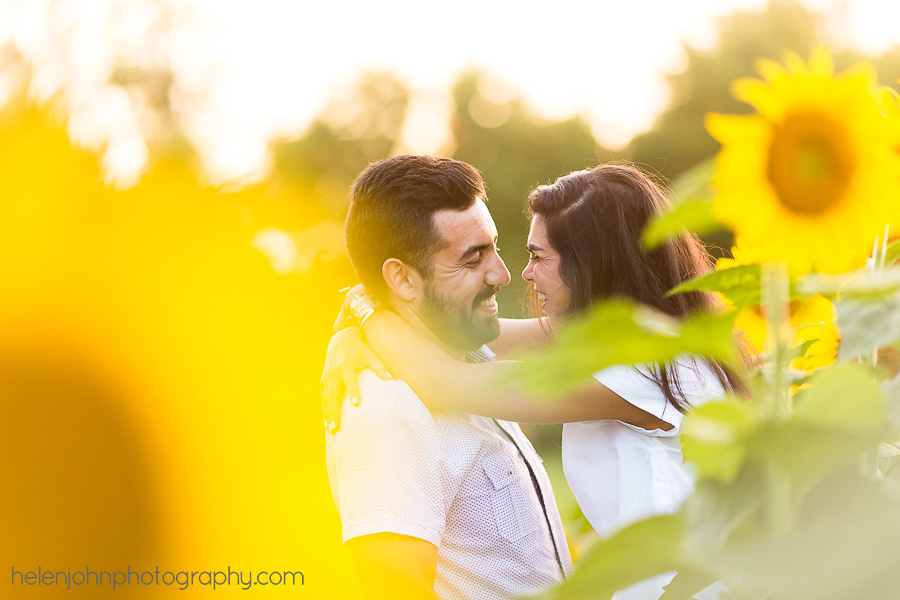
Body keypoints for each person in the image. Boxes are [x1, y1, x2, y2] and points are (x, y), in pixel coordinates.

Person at [324, 163, 748, 599]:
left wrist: (366, 315)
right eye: (475, 257)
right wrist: (355, 325)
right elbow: (472, 332)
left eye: (536, 256)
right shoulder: (632, 340)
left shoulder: (650, 364)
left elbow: (447, 381)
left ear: (592, 265)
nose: (515, 275)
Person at [324, 155, 573, 600]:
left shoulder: (472, 355)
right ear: (401, 278)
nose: (501, 273)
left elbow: (572, 335)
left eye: (494, 247)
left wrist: (360, 311)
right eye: (473, 259)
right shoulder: (386, 411)